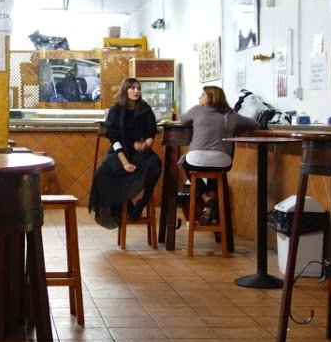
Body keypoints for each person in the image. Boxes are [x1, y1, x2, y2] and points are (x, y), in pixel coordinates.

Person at [178, 84, 260, 224]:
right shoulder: (231, 114)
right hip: (223, 161)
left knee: (185, 163)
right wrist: (235, 128)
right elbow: (255, 124)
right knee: (216, 172)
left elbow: (182, 119)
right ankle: (212, 206)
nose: (200, 97)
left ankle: (207, 198)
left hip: (197, 158)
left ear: (211, 98)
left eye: (202, 95)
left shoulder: (197, 110)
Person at [88, 77, 162, 229]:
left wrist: (145, 145)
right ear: (125, 90)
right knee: (101, 174)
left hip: (140, 153)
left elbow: (150, 135)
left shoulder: (145, 109)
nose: (136, 91)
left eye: (138, 88)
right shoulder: (115, 111)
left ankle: (142, 202)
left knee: (155, 164)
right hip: (120, 153)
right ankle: (127, 206)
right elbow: (115, 140)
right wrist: (125, 163)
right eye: (132, 88)